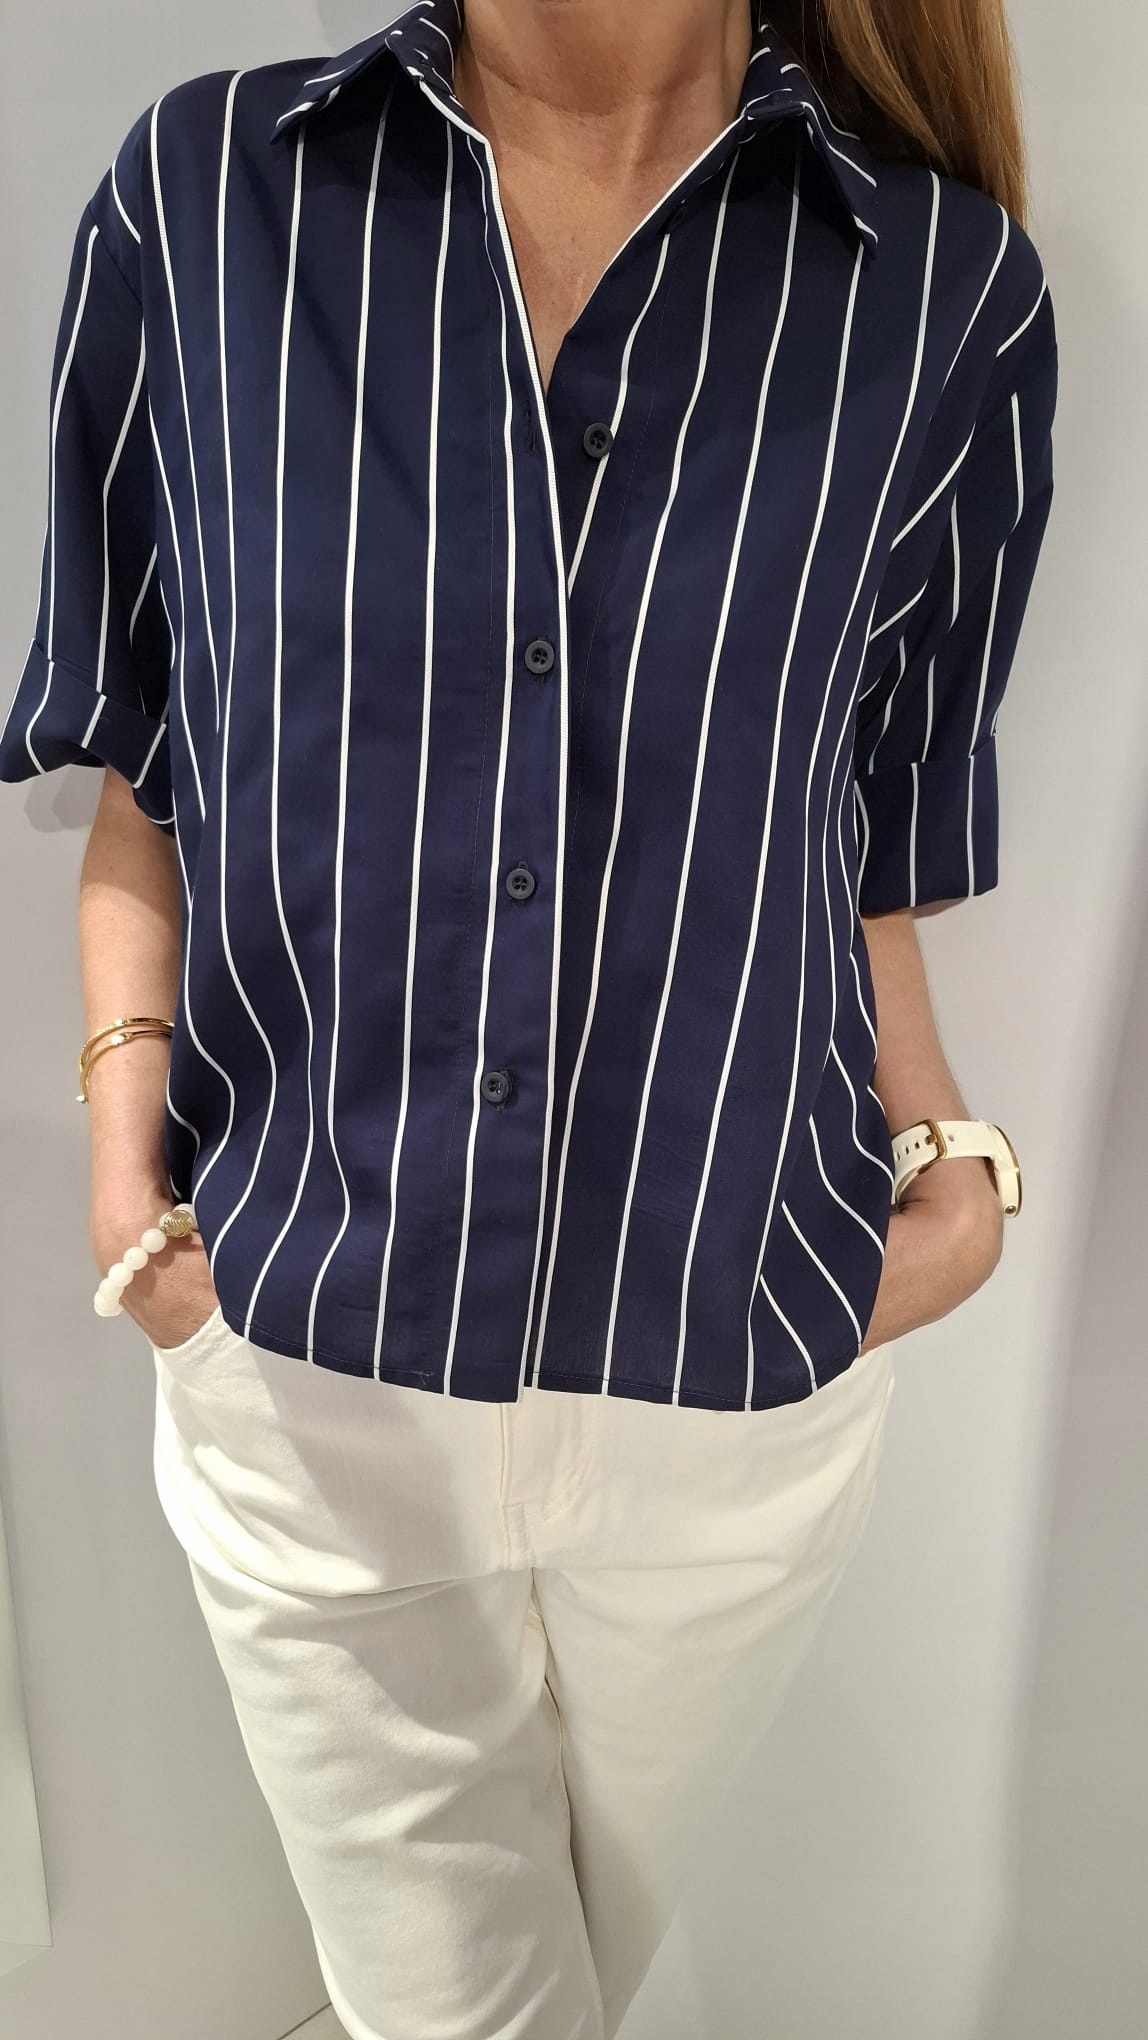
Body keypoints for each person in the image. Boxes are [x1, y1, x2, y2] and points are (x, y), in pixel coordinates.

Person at [0, 1, 1056, 2035]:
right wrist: (130, 1151)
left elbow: (857, 833)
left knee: (537, 1989)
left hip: (739, 1370)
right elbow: (146, 765)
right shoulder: (207, 198)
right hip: (310, 1362)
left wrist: (948, 1172)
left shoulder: (943, 292)